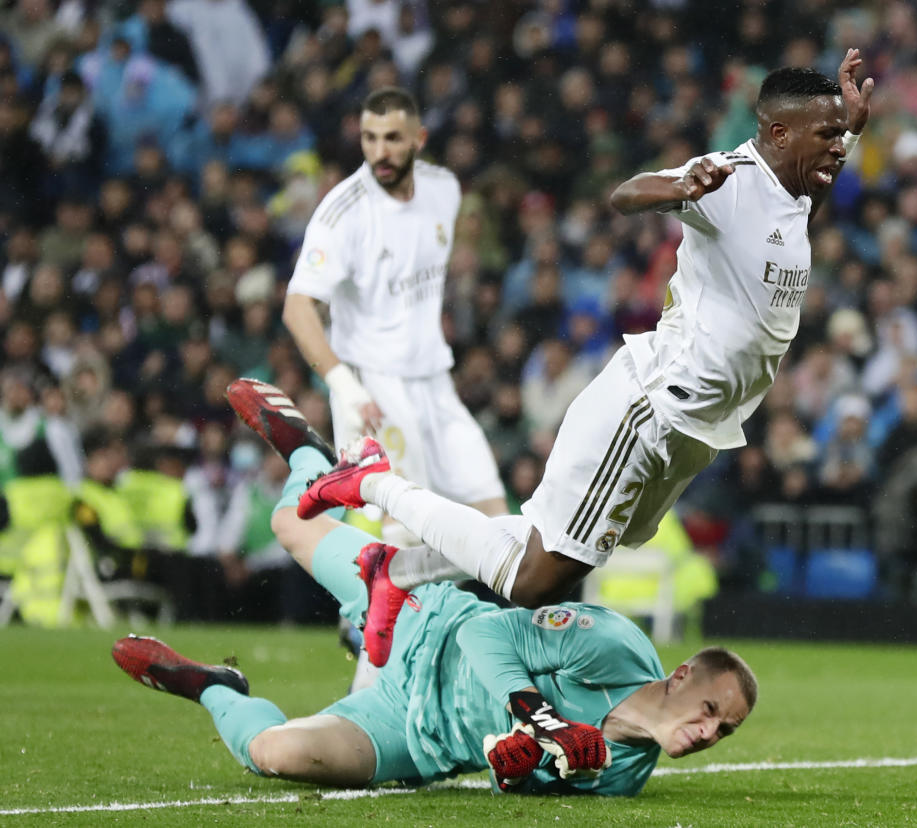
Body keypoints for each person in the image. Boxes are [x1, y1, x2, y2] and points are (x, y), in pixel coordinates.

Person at [295, 54, 875, 620]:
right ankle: (376, 484)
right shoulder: (729, 176)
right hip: (652, 409)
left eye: (838, 136)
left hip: (699, 428)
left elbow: (801, 207)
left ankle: (395, 573)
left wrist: (850, 127)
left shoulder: (793, 191)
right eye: (826, 134)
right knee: (535, 581)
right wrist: (682, 188)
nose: (837, 145)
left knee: (548, 550)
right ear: (778, 132)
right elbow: (626, 194)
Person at [113, 382, 756, 796]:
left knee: (274, 754)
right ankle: (311, 457)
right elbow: (484, 630)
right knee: (288, 524)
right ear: (679, 677)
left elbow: (528, 775)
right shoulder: (612, 646)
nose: (707, 735)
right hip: (424, 621)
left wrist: (519, 760)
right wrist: (538, 712)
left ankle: (217, 690)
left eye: (722, 732)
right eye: (709, 712)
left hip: (420, 736)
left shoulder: (621, 776)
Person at [281, 86, 506, 684]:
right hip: (372, 386)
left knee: (493, 527)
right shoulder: (343, 211)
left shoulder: (445, 191)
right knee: (411, 529)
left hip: (435, 381)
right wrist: (343, 385)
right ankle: (376, 682)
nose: (380, 151)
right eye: (369, 138)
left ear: (418, 140)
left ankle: (369, 613)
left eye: (392, 139)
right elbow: (298, 307)